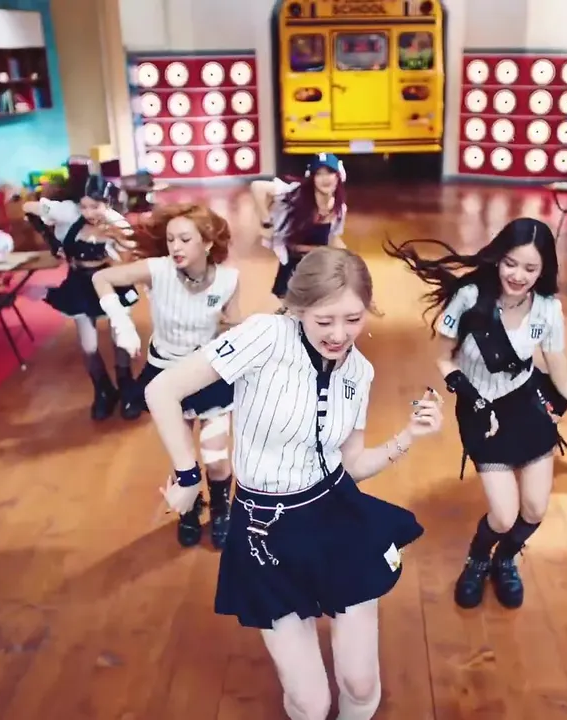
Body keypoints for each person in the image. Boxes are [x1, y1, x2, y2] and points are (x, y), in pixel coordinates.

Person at [144, 247, 442, 720]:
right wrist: (186, 476)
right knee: (310, 701)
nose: (339, 334)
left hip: (336, 514)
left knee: (360, 683)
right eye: (325, 320)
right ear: (299, 307)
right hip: (265, 530)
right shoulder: (264, 335)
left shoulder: (359, 371)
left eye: (353, 319)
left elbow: (352, 464)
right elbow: (162, 389)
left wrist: (408, 437)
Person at [386, 217, 567, 610]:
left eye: (530, 268)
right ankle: (477, 559)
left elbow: (563, 378)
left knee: (535, 508)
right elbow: (443, 357)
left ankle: (505, 559)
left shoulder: (548, 310)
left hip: (524, 404)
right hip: (478, 407)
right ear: (498, 258)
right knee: (503, 516)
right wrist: (472, 398)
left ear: (543, 271)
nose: (518, 275)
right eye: (510, 263)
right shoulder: (471, 297)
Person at [91, 203, 241, 550]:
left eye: (185, 239)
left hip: (208, 373)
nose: (175, 246)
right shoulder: (158, 270)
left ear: (207, 243)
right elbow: (101, 279)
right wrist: (121, 321)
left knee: (217, 459)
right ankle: (189, 507)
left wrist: (240, 334)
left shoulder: (229, 279)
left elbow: (232, 325)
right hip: (166, 375)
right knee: (181, 456)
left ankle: (221, 508)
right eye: (171, 239)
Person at [23, 175, 143, 421]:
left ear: (108, 203)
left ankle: (126, 386)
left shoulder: (117, 225)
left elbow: (127, 261)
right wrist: (50, 238)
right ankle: (103, 389)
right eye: (84, 206)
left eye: (95, 206)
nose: (88, 212)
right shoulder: (69, 217)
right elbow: (29, 207)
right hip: (79, 282)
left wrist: (115, 246)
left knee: (119, 336)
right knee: (88, 345)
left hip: (110, 280)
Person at [250, 153, 348, 301]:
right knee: (286, 305)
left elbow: (333, 239)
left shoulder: (339, 209)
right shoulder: (296, 195)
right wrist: (266, 221)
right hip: (294, 267)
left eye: (330, 172)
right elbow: (257, 186)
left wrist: (349, 261)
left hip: (319, 268)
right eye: (319, 174)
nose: (325, 178)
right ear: (312, 178)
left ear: (339, 176)